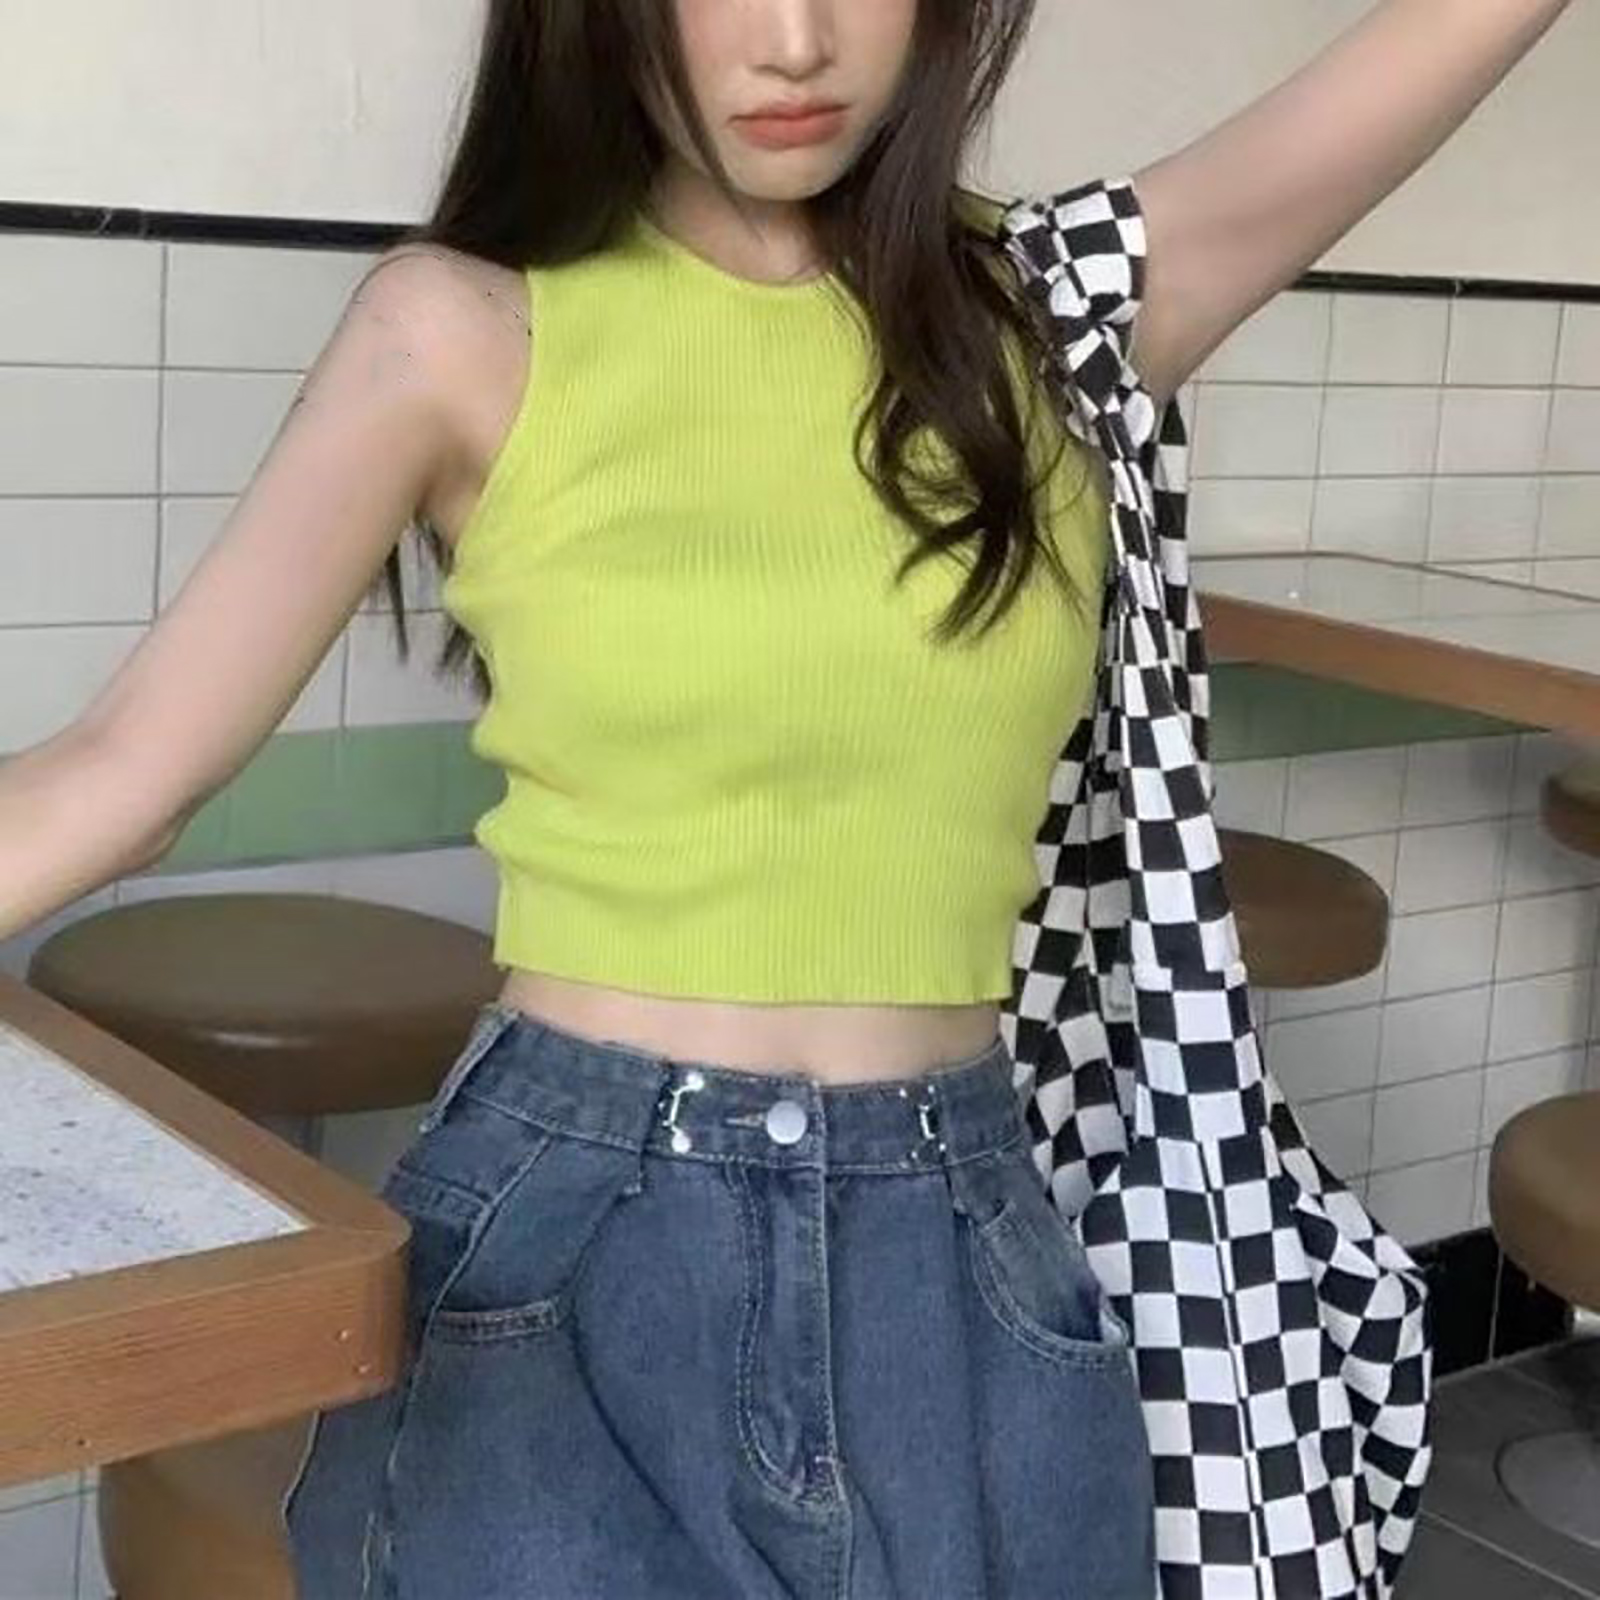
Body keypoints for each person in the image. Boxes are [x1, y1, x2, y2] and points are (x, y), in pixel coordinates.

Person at [0, 0, 1576, 1595]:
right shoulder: (462, 326)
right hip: (575, 1229)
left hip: (970, 1239)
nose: (796, 40)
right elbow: (124, 769)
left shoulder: (1056, 310)